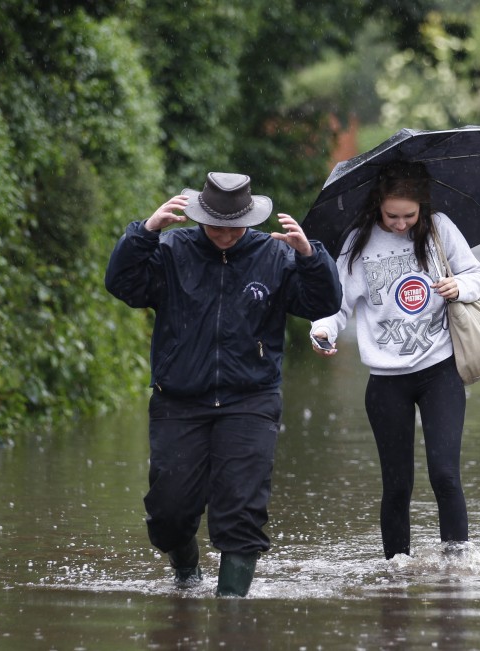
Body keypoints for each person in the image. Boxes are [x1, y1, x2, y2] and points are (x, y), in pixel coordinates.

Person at [104, 172, 342, 596]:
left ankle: (232, 613)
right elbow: (122, 284)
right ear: (198, 217)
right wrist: (145, 232)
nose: (226, 235)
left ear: (248, 220)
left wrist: (309, 256)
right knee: (170, 512)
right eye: (217, 227)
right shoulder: (172, 250)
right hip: (178, 399)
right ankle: (186, 577)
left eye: (235, 227)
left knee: (241, 511)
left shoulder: (274, 255)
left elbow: (323, 303)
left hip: (251, 399)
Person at [309, 161, 480, 559]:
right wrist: (322, 331)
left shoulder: (440, 228)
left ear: (422, 207)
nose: (401, 224)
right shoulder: (358, 241)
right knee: (397, 484)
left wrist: (459, 285)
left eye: (410, 215)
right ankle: (396, 570)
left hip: (439, 370)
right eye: (392, 215)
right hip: (386, 380)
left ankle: (458, 566)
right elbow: (336, 305)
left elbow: (477, 276)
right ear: (378, 205)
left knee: (445, 474)